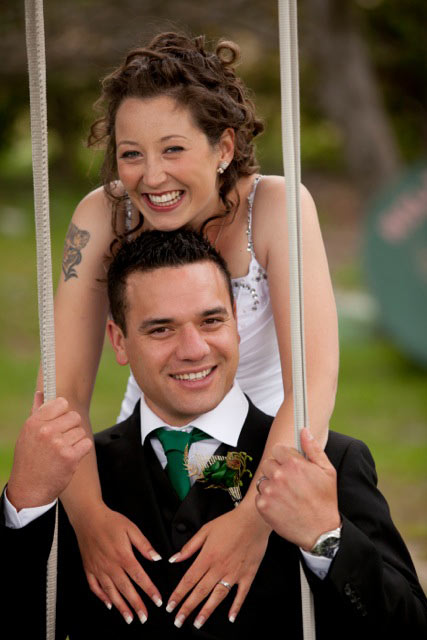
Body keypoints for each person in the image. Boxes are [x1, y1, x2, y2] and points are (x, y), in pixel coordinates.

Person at [6, 230, 426, 639]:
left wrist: (327, 538)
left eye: (211, 321)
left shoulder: (329, 461)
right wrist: (22, 502)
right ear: (119, 341)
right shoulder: (74, 474)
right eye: (161, 329)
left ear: (236, 323)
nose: (193, 348)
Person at [50, 31, 339, 621]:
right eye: (131, 154)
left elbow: (312, 382)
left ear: (224, 146)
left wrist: (256, 517)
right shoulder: (101, 216)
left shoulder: (278, 209)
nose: (151, 177)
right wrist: (90, 519)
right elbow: (64, 391)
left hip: (262, 448)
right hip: (157, 432)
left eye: (173, 149)